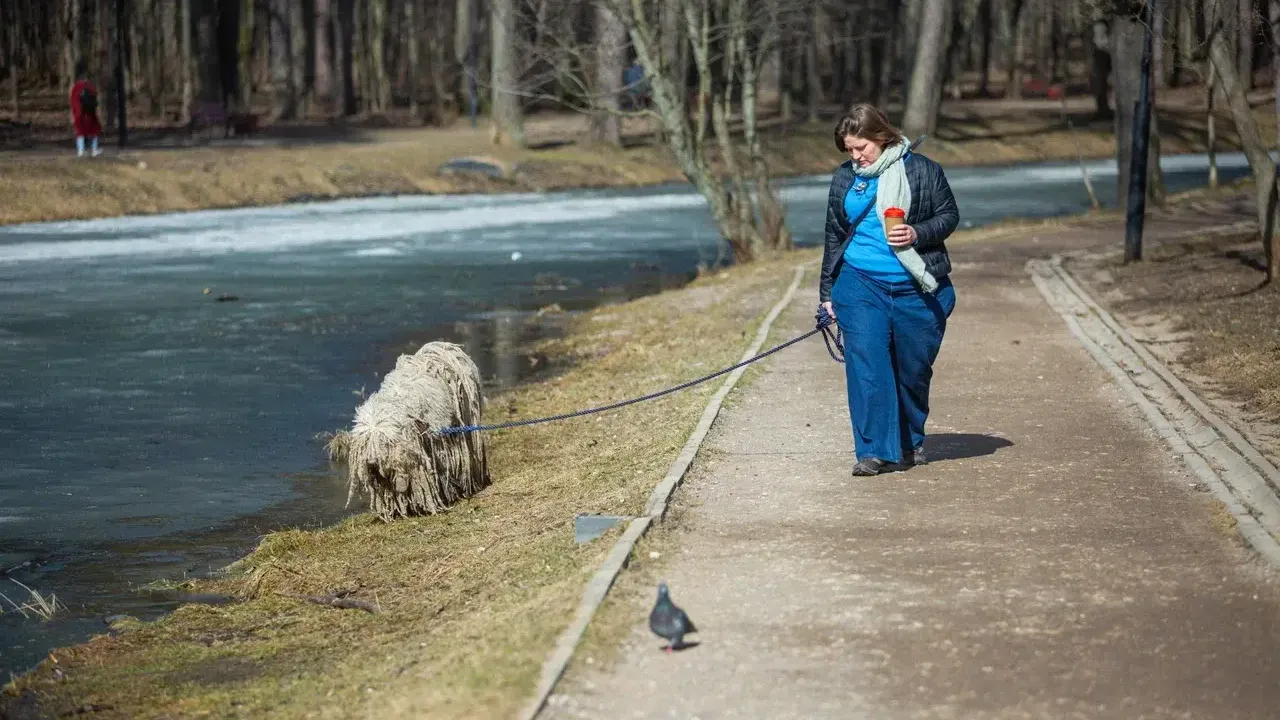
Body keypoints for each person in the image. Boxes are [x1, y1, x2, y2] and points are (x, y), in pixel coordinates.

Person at [819, 104, 959, 476]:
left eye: (860, 147)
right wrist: (828, 293)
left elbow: (948, 216)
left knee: (912, 371)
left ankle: (909, 441)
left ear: (882, 137)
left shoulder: (923, 171)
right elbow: (835, 237)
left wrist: (917, 232)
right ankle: (872, 451)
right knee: (868, 368)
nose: (855, 156)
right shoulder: (845, 179)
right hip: (861, 283)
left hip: (917, 286)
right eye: (848, 149)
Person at [69, 60, 102, 158]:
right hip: (90, 113)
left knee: (80, 132)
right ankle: (94, 149)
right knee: (94, 131)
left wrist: (73, 113)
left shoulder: (75, 88)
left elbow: (73, 101)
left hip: (79, 113)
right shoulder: (90, 86)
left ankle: (81, 150)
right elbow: (95, 98)